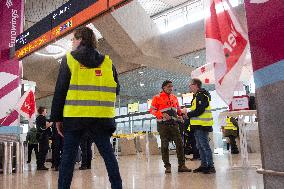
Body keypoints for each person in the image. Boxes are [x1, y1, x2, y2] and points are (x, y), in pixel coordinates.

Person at [50, 26, 122, 189]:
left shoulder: (69, 59)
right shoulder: (108, 62)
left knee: (67, 158)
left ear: (80, 39)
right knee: (109, 156)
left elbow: (61, 89)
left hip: (74, 117)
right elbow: (116, 89)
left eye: (73, 39)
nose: (72, 43)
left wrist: (57, 118)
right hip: (101, 118)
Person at [150, 80, 191, 174]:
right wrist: (161, 114)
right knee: (164, 146)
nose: (171, 88)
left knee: (180, 144)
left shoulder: (174, 97)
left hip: (174, 124)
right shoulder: (157, 97)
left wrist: (180, 115)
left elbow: (178, 110)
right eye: (169, 86)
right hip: (163, 125)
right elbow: (152, 111)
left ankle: (182, 165)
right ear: (164, 87)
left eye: (172, 86)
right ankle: (167, 166)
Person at [183, 78, 215, 174]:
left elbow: (200, 110)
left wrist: (188, 114)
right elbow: (197, 109)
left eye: (190, 85)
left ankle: (210, 166)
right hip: (197, 126)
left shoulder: (202, 95)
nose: (189, 86)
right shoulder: (196, 96)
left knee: (204, 146)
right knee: (200, 146)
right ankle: (204, 165)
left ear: (196, 85)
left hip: (202, 125)